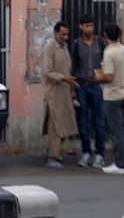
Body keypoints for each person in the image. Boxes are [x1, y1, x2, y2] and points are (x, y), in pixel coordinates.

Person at [95, 23, 124, 175]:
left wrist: (97, 78)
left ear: (106, 35)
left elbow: (108, 77)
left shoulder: (109, 53)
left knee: (116, 131)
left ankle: (120, 164)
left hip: (112, 96)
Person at [69, 14, 107, 168]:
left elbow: (106, 63)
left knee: (99, 121)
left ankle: (100, 154)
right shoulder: (76, 44)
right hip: (81, 86)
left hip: (97, 86)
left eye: (91, 25)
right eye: (86, 26)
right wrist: (73, 89)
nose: (89, 28)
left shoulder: (100, 42)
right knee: (83, 121)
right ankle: (86, 152)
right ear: (81, 27)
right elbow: (72, 68)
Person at [42, 21, 79, 168]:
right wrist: (64, 78)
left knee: (64, 124)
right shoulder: (49, 49)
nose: (65, 37)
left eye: (67, 34)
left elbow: (67, 71)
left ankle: (57, 152)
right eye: (62, 34)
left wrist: (71, 89)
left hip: (65, 91)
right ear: (55, 33)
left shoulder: (65, 48)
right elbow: (47, 72)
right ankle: (52, 157)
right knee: (55, 126)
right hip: (54, 92)